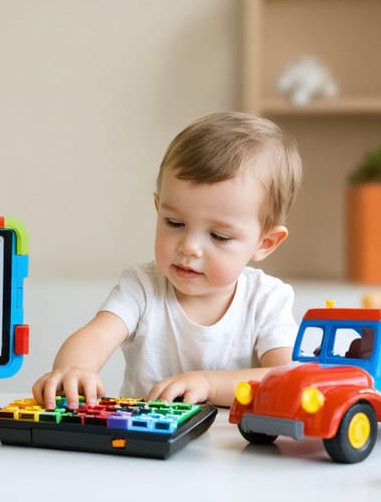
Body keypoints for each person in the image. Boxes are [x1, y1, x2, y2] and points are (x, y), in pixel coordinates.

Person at [32, 111, 302, 409]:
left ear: (265, 243)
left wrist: (209, 385)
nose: (189, 247)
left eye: (219, 237)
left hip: (234, 446)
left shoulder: (266, 299)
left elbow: (285, 377)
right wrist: (75, 369)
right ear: (158, 208)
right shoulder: (143, 286)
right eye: (174, 222)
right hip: (142, 442)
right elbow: (97, 334)